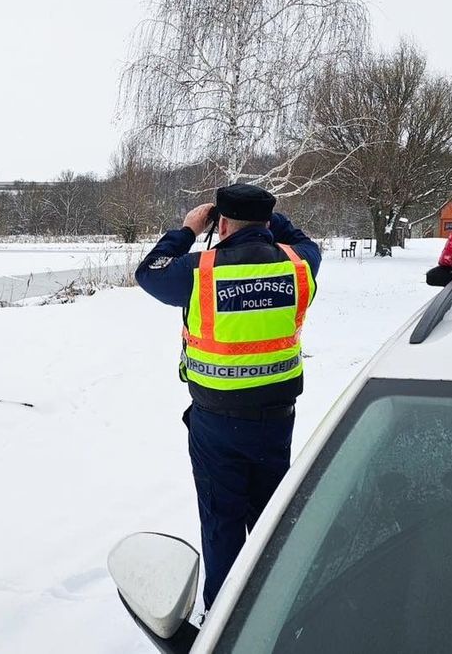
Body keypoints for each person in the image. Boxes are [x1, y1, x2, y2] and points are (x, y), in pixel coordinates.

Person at [135, 183, 321, 611]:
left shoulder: (200, 270)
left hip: (217, 423)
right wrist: (273, 221)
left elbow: (149, 272)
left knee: (222, 521)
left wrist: (186, 229)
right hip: (277, 420)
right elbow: (306, 243)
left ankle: (224, 615)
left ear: (220, 223)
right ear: (268, 221)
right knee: (272, 520)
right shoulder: (298, 265)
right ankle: (277, 605)